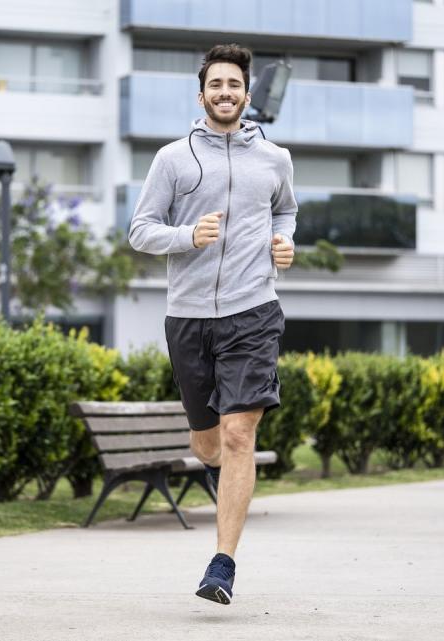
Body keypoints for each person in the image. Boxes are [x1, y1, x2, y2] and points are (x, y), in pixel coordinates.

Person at [127, 43, 297, 605]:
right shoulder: (173, 158)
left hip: (254, 311)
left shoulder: (275, 158)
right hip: (190, 317)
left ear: (246, 95)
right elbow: (140, 230)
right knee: (208, 445)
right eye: (216, 85)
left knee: (238, 433)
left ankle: (222, 565)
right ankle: (226, 476)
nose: (226, 92)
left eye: (234, 85)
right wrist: (186, 236)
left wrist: (284, 240)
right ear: (202, 95)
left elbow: (286, 209)